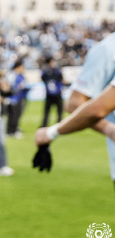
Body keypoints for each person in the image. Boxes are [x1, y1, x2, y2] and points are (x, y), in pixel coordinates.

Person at [36, 33, 115, 191]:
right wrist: (109, 128)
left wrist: (51, 133)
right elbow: (76, 102)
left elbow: (98, 110)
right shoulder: (108, 49)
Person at [6, 58, 29, 138]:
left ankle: (15, 129)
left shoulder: (20, 75)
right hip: (13, 99)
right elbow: (9, 87)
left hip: (20, 98)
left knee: (17, 115)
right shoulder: (12, 75)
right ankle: (10, 131)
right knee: (13, 116)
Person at [41, 56, 65, 127]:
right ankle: (59, 125)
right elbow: (61, 78)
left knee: (47, 111)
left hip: (49, 93)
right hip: (56, 93)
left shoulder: (45, 70)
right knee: (59, 110)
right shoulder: (56, 70)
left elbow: (42, 78)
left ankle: (44, 125)